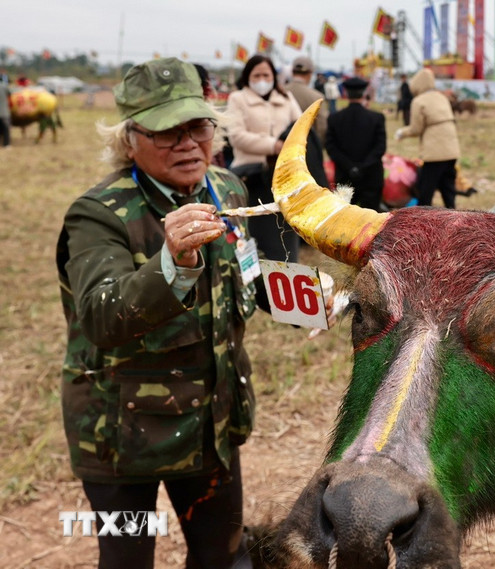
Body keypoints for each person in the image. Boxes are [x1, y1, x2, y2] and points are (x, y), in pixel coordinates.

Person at [56, 57, 259, 569]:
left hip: (211, 427)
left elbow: (245, 280)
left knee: (222, 553)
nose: (189, 143)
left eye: (198, 126)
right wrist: (172, 261)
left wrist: (307, 296)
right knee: (127, 556)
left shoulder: (227, 190)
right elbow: (101, 317)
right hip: (122, 445)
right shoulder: (99, 213)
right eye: (168, 132)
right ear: (130, 140)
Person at [225, 54, 301, 263]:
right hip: (250, 175)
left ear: (273, 77)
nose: (262, 80)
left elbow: (301, 125)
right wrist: (273, 145)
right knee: (254, 233)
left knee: (283, 234)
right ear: (247, 76)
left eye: (266, 75)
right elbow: (237, 136)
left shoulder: (286, 98)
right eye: (256, 74)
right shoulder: (237, 99)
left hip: (283, 177)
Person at [395, 68, 461, 209]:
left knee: (426, 190)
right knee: (448, 189)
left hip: (434, 153)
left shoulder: (419, 101)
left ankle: (423, 222)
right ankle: (454, 219)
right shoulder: (442, 97)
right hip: (452, 149)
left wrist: (401, 133)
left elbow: (416, 129)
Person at [324, 77, 386, 211]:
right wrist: (362, 167)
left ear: (345, 94)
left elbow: (330, 147)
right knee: (371, 220)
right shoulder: (376, 118)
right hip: (371, 176)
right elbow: (380, 148)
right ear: (364, 93)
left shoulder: (335, 118)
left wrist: (350, 167)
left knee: (344, 218)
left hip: (345, 176)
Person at [285, 55, 328, 144]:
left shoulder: (279, 92)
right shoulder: (316, 97)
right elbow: (322, 126)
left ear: (292, 72)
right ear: (310, 74)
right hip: (307, 146)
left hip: (281, 147)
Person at [0, 79, 10, 148]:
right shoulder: (4, 86)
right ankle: (6, 144)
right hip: (4, 112)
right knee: (6, 128)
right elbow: (10, 94)